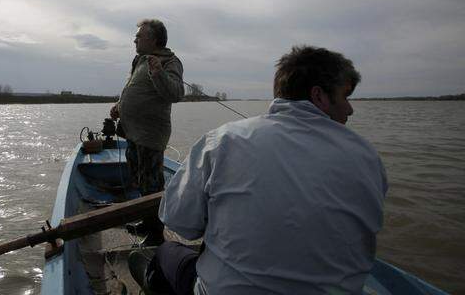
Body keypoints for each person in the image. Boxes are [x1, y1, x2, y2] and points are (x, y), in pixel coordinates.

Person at [128, 45, 388, 295]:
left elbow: (179, 223)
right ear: (318, 95)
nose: (350, 109)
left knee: (166, 252)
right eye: (345, 97)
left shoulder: (222, 141)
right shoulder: (368, 156)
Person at [110, 18, 184, 245]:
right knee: (139, 180)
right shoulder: (139, 60)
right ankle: (146, 222)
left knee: (152, 186)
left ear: (153, 39)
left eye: (139, 36)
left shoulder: (171, 61)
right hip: (132, 133)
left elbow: (176, 94)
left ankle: (155, 234)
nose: (135, 39)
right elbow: (132, 87)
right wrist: (119, 106)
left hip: (151, 135)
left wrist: (158, 72)